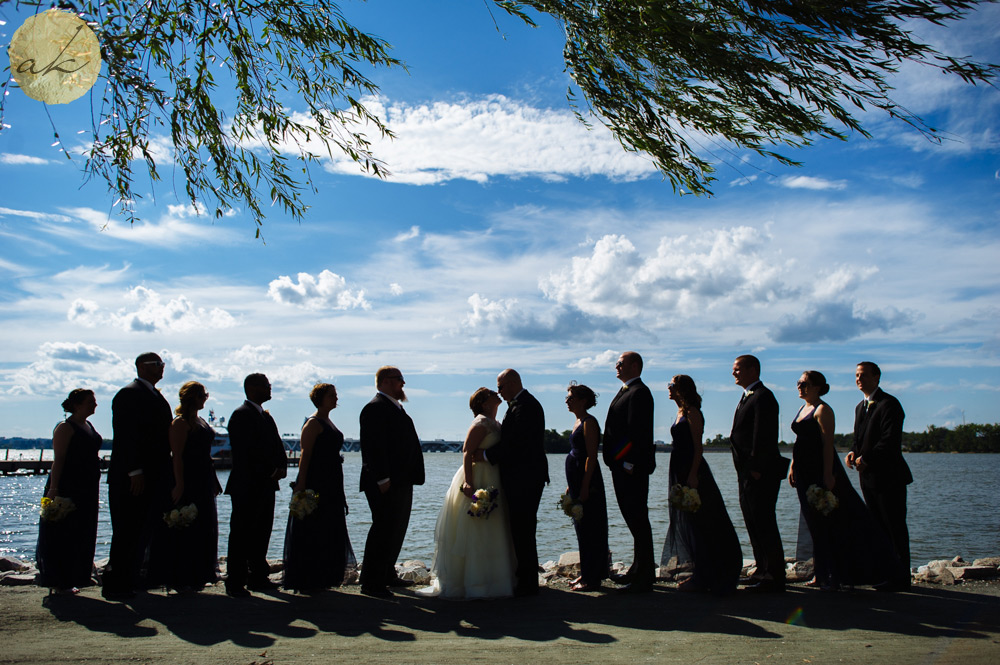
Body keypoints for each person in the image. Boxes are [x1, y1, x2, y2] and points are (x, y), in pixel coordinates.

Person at [789, 370, 899, 591]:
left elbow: (827, 445)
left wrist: (828, 475)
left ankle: (835, 575)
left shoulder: (823, 410)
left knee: (830, 524)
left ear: (818, 387)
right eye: (799, 383)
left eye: (805, 383)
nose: (800, 387)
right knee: (814, 525)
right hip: (803, 472)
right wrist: (792, 465)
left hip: (820, 473)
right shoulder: (803, 408)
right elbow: (800, 442)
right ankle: (819, 573)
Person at [420, 388, 515, 599]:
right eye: (492, 393)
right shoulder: (480, 423)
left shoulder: (496, 423)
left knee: (493, 526)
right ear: (483, 402)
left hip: (493, 475)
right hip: (479, 476)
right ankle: (473, 582)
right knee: (476, 527)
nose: (496, 394)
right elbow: (467, 451)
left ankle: (495, 579)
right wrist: (469, 483)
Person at [661, 375, 742, 595]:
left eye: (671, 386)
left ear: (681, 389)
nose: (668, 388)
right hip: (679, 468)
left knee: (703, 521)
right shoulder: (679, 412)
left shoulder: (693, 413)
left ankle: (709, 574)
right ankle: (699, 571)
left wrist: (694, 474)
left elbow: (698, 447)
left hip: (692, 470)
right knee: (689, 522)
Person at [103, 352, 172, 599]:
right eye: (157, 364)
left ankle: (133, 578)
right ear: (142, 367)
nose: (162, 368)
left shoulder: (155, 395)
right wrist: (134, 470)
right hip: (133, 477)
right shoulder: (128, 394)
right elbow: (125, 435)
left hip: (155, 475)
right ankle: (116, 583)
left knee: (143, 528)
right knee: (127, 530)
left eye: (162, 364)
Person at [359, 366, 425, 599]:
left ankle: (386, 573)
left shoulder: (396, 409)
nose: (403, 384)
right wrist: (382, 478)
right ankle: (370, 582)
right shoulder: (374, 408)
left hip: (401, 481)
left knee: (396, 529)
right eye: (400, 380)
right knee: (383, 529)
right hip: (385, 482)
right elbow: (373, 447)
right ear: (386, 382)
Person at [282, 383, 355, 593]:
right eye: (332, 395)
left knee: (329, 526)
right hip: (317, 480)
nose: (336, 398)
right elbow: (305, 454)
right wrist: (302, 484)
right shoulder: (313, 423)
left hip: (331, 480)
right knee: (313, 526)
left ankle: (325, 574)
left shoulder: (327, 421)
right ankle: (309, 576)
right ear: (320, 398)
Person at [481, 369, 548, 596]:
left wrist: (485, 456)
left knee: (523, 528)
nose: (499, 392)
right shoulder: (521, 404)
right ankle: (526, 577)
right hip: (524, 476)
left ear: (512, 383)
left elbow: (516, 443)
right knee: (522, 528)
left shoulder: (526, 406)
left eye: (500, 387)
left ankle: (528, 583)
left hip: (525, 477)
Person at [847, 361, 913, 591]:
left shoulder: (889, 404)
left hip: (889, 477)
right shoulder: (860, 407)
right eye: (856, 375)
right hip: (868, 478)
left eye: (863, 375)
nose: (858, 379)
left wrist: (866, 459)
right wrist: (854, 452)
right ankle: (884, 573)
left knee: (894, 527)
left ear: (877, 377)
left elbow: (889, 441)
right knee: (877, 528)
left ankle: (902, 577)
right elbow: (859, 439)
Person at [224, 373, 287, 597]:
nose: (270, 389)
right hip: (247, 484)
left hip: (266, 484)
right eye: (266, 386)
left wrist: (281, 467)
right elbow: (245, 451)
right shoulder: (241, 415)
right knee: (242, 533)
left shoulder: (266, 417)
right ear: (252, 388)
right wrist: (270, 469)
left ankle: (258, 575)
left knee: (262, 531)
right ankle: (236, 580)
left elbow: (277, 446)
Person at [730, 354, 788, 593]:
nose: (734, 373)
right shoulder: (748, 396)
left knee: (764, 522)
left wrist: (755, 469)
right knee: (753, 522)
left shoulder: (763, 397)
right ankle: (762, 570)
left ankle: (774, 575)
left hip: (759, 473)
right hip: (745, 473)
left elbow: (762, 437)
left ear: (753, 370)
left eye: (738, 369)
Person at [36, 389, 102, 594]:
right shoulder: (66, 427)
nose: (95, 405)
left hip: (87, 486)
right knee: (65, 532)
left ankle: (79, 574)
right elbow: (59, 460)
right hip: (68, 485)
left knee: (83, 530)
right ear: (77, 404)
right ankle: (60, 580)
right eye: (91, 402)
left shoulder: (88, 425)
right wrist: (54, 489)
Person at [160, 381, 221, 593]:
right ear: (192, 397)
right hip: (188, 478)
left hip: (204, 477)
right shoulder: (180, 423)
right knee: (186, 525)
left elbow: (206, 456)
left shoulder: (201, 421)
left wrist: (213, 480)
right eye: (202, 395)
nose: (205, 398)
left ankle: (199, 573)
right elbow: (176, 456)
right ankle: (181, 575)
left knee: (204, 525)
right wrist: (179, 484)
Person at [603, 351, 655, 593]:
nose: (616, 366)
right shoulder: (627, 390)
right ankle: (637, 568)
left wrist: (626, 463)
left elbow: (637, 433)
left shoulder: (639, 392)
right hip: (620, 467)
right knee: (632, 518)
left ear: (635, 366)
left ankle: (644, 576)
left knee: (638, 518)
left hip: (630, 469)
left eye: (620, 363)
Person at [563, 383, 609, 592]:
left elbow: (591, 456)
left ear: (583, 401)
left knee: (591, 528)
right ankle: (586, 572)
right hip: (576, 481)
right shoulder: (577, 421)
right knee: (581, 529)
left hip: (587, 482)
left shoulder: (590, 422)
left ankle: (592, 578)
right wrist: (569, 485)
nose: (567, 401)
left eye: (571, 397)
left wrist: (585, 485)